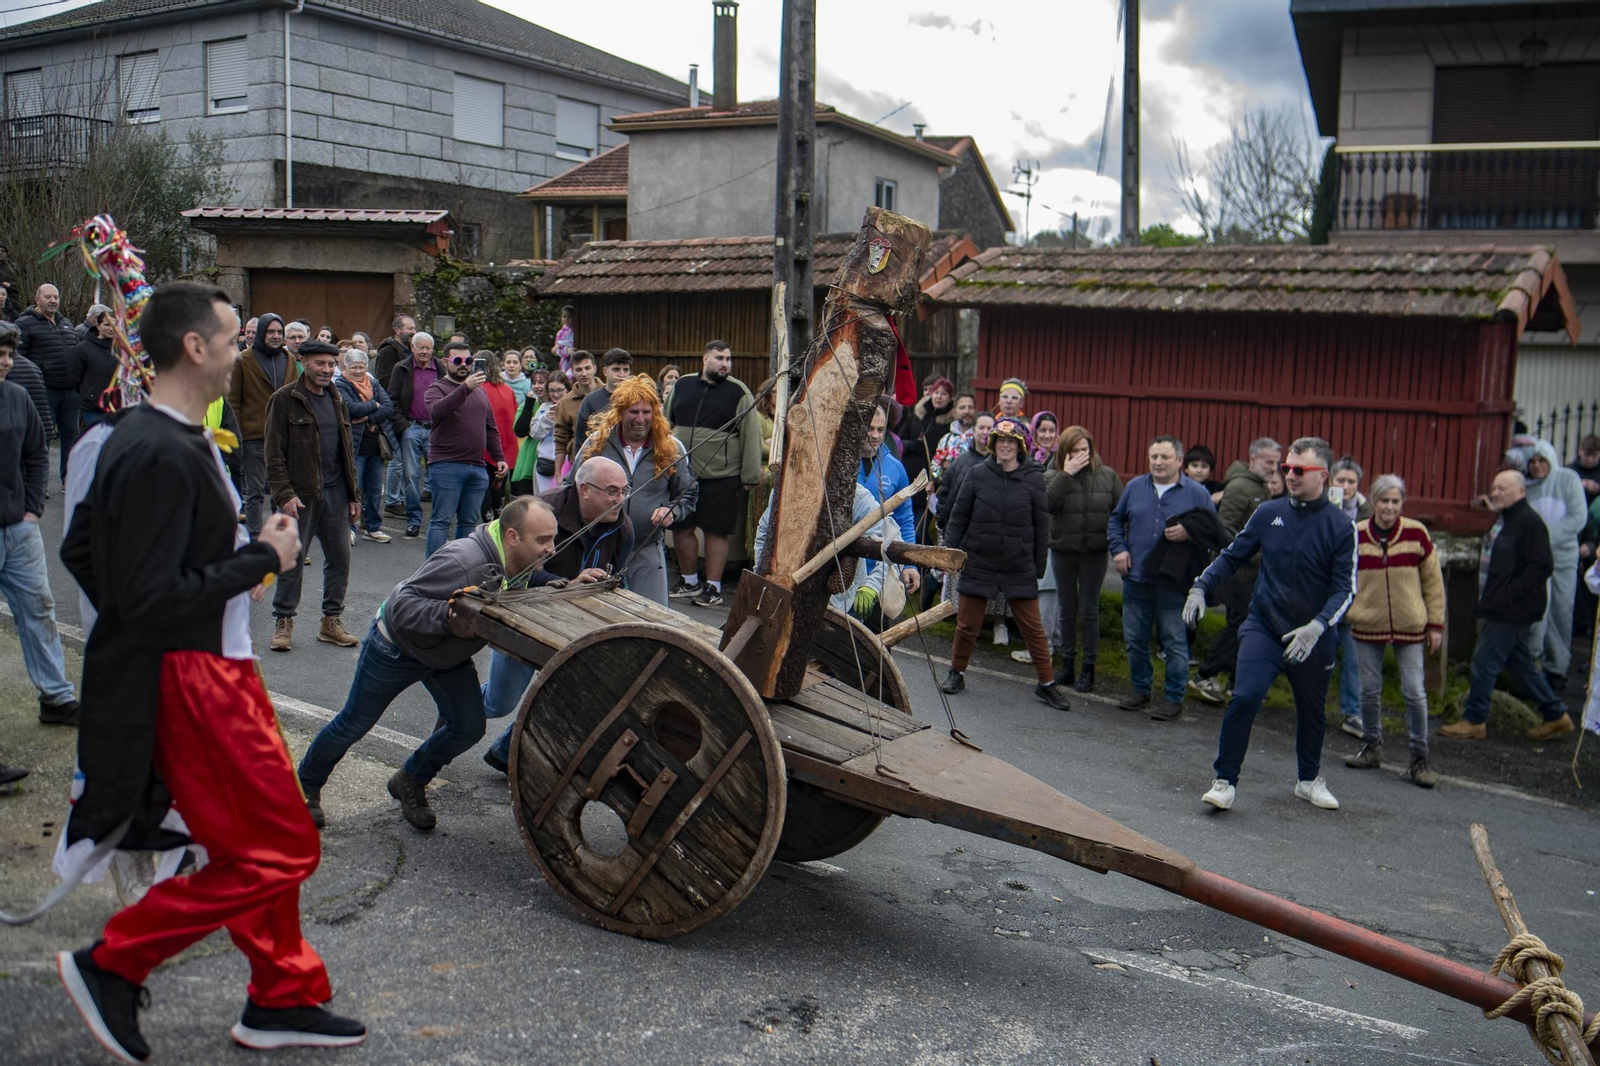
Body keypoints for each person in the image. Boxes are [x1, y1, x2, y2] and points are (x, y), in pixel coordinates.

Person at [57, 281, 365, 1059]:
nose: (241, 355)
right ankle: (115, 962)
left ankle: (281, 995)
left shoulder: (167, 434)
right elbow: (149, 594)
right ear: (196, 347)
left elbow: (89, 553)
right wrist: (264, 557)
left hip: (211, 669)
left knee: (253, 844)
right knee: (284, 847)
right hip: (197, 680)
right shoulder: (157, 447)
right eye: (231, 341)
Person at [298, 495, 566, 826]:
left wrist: (559, 584)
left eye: (553, 538)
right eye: (543, 540)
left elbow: (520, 579)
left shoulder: (515, 558)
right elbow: (403, 605)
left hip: (447, 655)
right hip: (396, 646)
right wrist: (449, 615)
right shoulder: (464, 562)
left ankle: (410, 779)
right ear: (512, 537)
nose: (551, 548)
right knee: (354, 723)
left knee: (468, 727)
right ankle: (305, 787)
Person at [1187, 437, 1356, 812]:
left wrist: (1318, 626)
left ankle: (1308, 780)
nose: (1290, 475)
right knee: (1245, 696)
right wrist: (1200, 586)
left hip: (1314, 636)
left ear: (1323, 476)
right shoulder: (1268, 512)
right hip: (1264, 626)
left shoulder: (1342, 527)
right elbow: (1232, 556)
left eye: (1300, 470)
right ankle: (1224, 781)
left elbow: (1346, 589)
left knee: (1312, 710)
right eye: (1286, 469)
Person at [481, 460, 635, 772]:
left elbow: (618, 577)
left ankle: (503, 752)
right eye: (612, 492)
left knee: (567, 697)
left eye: (624, 491)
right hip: (527, 616)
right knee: (499, 702)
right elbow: (509, 572)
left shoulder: (623, 527)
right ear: (585, 490)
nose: (621, 499)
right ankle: (454, 709)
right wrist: (566, 584)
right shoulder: (541, 512)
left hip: (576, 625)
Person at [938, 416, 1071, 710]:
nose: (1005, 446)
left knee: (1033, 628)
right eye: (1000, 441)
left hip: (1018, 564)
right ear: (993, 445)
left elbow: (1040, 527)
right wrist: (949, 554)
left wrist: (1038, 567)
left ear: (1021, 446)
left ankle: (1046, 684)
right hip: (980, 559)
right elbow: (958, 517)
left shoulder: (1033, 478)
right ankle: (956, 673)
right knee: (967, 624)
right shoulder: (976, 474)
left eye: (1011, 442)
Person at [1439, 470, 1573, 741]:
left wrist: (1511, 594)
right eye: (1494, 488)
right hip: (1499, 605)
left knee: (1484, 661)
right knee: (1520, 664)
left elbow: (1542, 565)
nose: (1496, 492)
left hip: (1511, 610)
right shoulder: (1505, 520)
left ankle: (1474, 720)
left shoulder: (1529, 522)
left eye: (1503, 488)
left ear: (1521, 492)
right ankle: (1556, 714)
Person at [1342, 475, 1444, 787]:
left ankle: (1419, 758)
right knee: (1369, 690)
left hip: (1410, 624)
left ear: (1402, 504)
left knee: (1414, 691)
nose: (1389, 507)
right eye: (1384, 501)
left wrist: (1435, 624)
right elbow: (1342, 575)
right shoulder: (1356, 534)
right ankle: (1372, 747)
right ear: (1372, 502)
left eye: (1395, 501)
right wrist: (1349, 611)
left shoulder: (1416, 533)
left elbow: (1433, 582)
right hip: (1367, 623)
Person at [1108, 435, 1220, 720]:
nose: (1158, 462)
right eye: (1154, 457)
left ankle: (1173, 698)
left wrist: (1189, 532)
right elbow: (1114, 521)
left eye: (1164, 457)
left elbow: (1214, 532)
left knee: (1173, 641)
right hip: (1136, 578)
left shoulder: (1196, 493)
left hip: (1174, 582)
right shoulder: (1134, 487)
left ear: (1179, 460)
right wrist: (1119, 549)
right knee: (1135, 639)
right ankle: (1141, 689)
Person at [0, 322, 78, 724]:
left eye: (9, 355)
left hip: (18, 527)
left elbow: (36, 454)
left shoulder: (16, 397)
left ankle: (56, 697)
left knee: (39, 608)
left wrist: (32, 509)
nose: (6, 362)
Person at [263, 341, 361, 652]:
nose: (327, 370)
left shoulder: (338, 399)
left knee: (340, 559)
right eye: (320, 364)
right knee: (291, 560)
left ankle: (331, 622)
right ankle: (283, 621)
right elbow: (273, 453)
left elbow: (346, 451)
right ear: (303, 362)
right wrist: (284, 494)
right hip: (299, 494)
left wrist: (353, 494)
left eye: (332, 365)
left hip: (335, 491)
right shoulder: (284, 399)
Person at [574, 375, 697, 605]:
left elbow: (688, 494)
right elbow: (571, 490)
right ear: (620, 413)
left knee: (654, 620)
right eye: (633, 412)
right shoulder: (596, 445)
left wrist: (672, 511)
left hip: (646, 548)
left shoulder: (671, 448)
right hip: (599, 547)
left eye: (646, 412)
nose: (640, 419)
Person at [667, 340, 761, 607]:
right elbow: (666, 422)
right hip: (683, 473)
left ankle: (713, 588)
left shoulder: (738, 391)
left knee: (715, 532)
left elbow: (751, 436)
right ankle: (689, 581)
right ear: (704, 359)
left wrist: (750, 475)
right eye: (719, 358)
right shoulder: (682, 385)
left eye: (728, 359)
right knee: (681, 527)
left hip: (721, 475)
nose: (725, 363)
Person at [1189, 438, 1281, 706]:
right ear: (1252, 460)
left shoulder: (1260, 487)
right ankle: (1204, 675)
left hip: (1253, 572)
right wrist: (1252, 554)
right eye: (1268, 462)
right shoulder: (1241, 487)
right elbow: (1225, 529)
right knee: (1239, 624)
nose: (1273, 468)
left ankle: (1235, 683)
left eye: (1276, 463)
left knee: (1247, 624)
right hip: (1238, 571)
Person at [755, 482, 917, 631]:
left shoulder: (856, 497)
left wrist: (872, 586)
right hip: (787, 595)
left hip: (840, 604)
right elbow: (765, 531)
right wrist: (762, 573)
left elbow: (894, 543)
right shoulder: (788, 485)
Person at [1045, 425, 1120, 694]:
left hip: (1095, 552)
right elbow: (1048, 504)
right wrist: (1067, 474)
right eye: (1074, 451)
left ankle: (1089, 666)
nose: (1080, 455)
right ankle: (1067, 664)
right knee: (1066, 609)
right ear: (1064, 452)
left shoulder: (1107, 475)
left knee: (1089, 610)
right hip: (1064, 550)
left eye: (1084, 450)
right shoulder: (1053, 475)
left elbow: (1119, 511)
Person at [423, 341, 507, 555]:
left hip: (477, 467)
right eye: (458, 361)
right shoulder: (437, 388)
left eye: (468, 361)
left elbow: (490, 427)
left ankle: (461, 566)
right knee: (441, 520)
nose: (464, 365)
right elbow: (438, 410)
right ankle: (432, 571)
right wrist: (466, 388)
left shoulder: (480, 392)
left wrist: (499, 457)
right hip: (446, 465)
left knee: (469, 523)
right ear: (445, 362)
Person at [1518, 439, 1587, 691]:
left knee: (1561, 610)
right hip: (1535, 561)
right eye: (1532, 461)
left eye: (1541, 460)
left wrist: (1544, 537)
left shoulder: (1568, 480)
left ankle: (1557, 666)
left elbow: (1578, 517)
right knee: (1538, 611)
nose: (1537, 466)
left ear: (1550, 460)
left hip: (1564, 558)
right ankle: (1532, 661)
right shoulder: (1528, 487)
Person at [226, 312, 298, 537]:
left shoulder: (289, 360)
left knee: (283, 490)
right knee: (256, 491)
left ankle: (282, 536)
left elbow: (296, 396)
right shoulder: (243, 359)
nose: (276, 336)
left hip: (282, 436)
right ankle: (256, 538)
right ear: (261, 334)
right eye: (271, 332)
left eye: (279, 332)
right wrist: (237, 436)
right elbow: (233, 401)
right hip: (253, 435)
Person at [15, 282, 80, 481]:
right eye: (48, 297)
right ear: (37, 299)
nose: (53, 301)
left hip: (70, 393)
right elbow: (18, 358)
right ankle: (37, 481)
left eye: (55, 297)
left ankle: (68, 480)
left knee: (71, 437)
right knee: (40, 437)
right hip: (43, 392)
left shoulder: (66, 323)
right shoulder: (24, 324)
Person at [335, 348, 395, 544]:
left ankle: (372, 527)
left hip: (375, 446)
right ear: (346, 367)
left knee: (375, 489)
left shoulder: (374, 383)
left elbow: (388, 407)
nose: (359, 371)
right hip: (354, 446)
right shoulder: (340, 384)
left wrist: (368, 416)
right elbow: (349, 408)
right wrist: (374, 405)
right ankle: (348, 528)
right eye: (354, 367)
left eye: (362, 367)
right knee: (354, 488)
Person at [386, 329, 437, 539]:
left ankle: (437, 521)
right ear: (412, 348)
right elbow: (392, 399)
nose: (424, 351)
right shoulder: (401, 368)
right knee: (411, 476)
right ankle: (414, 520)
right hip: (412, 428)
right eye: (420, 347)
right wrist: (403, 425)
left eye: (428, 348)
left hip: (436, 429)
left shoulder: (441, 368)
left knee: (437, 476)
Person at [858, 399, 917, 545]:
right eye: (870, 428)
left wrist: (908, 564)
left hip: (879, 558)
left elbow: (904, 517)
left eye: (880, 430)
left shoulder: (895, 467)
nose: (875, 436)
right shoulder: (841, 463)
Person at [374, 314, 415, 515]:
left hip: (409, 411)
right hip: (395, 409)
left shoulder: (410, 351)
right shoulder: (389, 352)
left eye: (414, 328)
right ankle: (392, 500)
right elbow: (383, 380)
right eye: (409, 328)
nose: (413, 331)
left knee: (406, 460)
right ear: (397, 330)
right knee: (398, 458)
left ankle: (399, 497)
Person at [570, 347, 631, 463]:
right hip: (599, 463)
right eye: (616, 369)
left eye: (626, 370)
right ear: (605, 371)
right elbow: (581, 442)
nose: (622, 374)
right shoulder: (591, 401)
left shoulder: (636, 400)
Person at [478, 349, 519, 519]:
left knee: (485, 485)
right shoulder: (507, 389)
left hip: (485, 444)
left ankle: (487, 519)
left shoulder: (479, 388)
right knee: (498, 486)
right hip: (505, 445)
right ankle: (497, 516)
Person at [513, 371, 568, 496]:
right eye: (552, 391)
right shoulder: (543, 407)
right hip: (545, 463)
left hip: (566, 462)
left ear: (567, 389)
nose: (556, 394)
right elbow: (531, 433)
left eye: (559, 390)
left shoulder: (573, 406)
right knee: (544, 499)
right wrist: (547, 419)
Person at [67, 305, 119, 430]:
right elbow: (73, 378)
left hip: (117, 408)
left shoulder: (122, 350)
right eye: (107, 325)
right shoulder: (83, 348)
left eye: (114, 325)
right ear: (98, 326)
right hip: (93, 408)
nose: (111, 329)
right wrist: (89, 393)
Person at [551, 349, 596, 464]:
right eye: (579, 369)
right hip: (576, 461)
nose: (584, 373)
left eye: (587, 368)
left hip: (607, 461)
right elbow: (561, 440)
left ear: (594, 369)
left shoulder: (609, 396)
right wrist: (558, 473)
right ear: (572, 372)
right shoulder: (565, 402)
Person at [551, 304, 575, 372]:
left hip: (575, 359)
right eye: (564, 317)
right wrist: (566, 350)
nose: (566, 319)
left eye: (569, 317)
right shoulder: (560, 333)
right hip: (564, 362)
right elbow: (555, 350)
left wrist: (561, 344)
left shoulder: (576, 331)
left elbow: (573, 343)